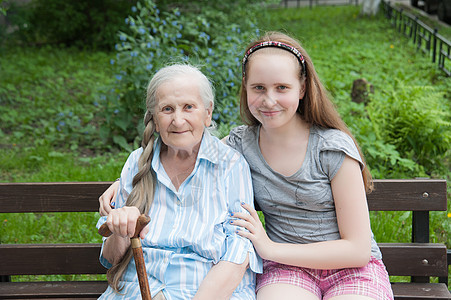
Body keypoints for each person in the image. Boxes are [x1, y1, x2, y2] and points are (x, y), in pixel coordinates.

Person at [99, 32, 394, 299]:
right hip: (289, 271)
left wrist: (268, 248)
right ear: (245, 88)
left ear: (302, 88)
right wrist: (128, 183)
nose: (269, 100)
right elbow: (189, 148)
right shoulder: (242, 144)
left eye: (282, 87)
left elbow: (357, 250)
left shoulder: (331, 148)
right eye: (259, 88)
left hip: (348, 268)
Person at [96, 64, 262, 300]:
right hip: (137, 291)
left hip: (209, 292)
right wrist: (121, 230)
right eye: (167, 109)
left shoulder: (230, 165)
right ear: (154, 115)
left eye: (188, 107)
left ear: (207, 112)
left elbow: (239, 252)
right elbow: (112, 259)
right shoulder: (137, 163)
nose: (178, 120)